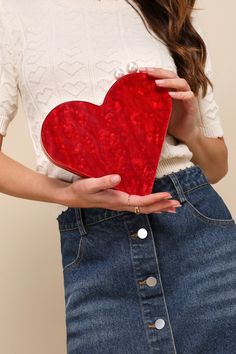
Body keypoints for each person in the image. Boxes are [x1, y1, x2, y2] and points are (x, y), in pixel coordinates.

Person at [0, 0, 235, 353]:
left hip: (195, 232)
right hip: (97, 249)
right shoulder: (15, 15)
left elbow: (216, 167)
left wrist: (188, 131)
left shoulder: (166, 14)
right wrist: (68, 195)